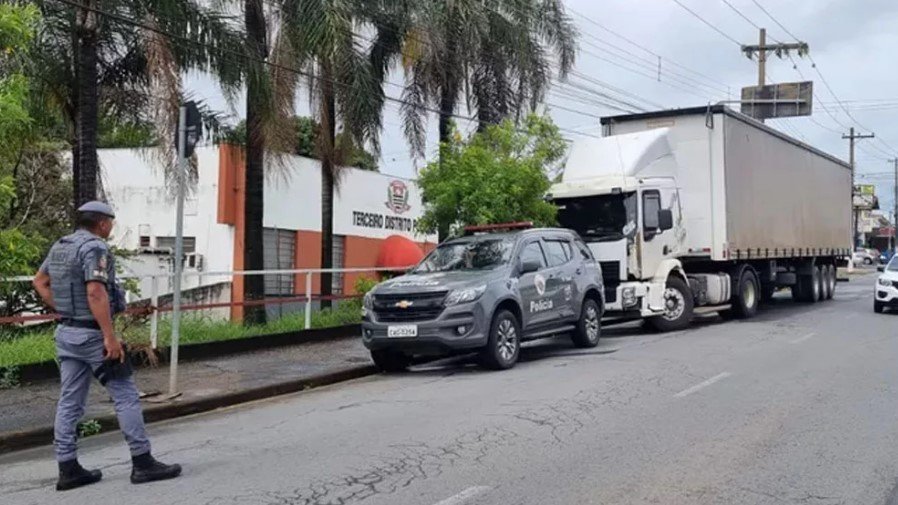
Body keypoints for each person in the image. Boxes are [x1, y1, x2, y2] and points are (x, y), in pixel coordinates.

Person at [32, 201, 181, 491]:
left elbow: (40, 282)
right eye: (110, 222)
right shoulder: (95, 248)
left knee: (69, 402)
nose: (111, 227)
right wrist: (109, 337)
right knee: (125, 395)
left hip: (67, 333)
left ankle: (68, 468)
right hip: (92, 336)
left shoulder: (60, 245)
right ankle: (142, 462)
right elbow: (96, 292)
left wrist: (64, 309)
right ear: (102, 223)